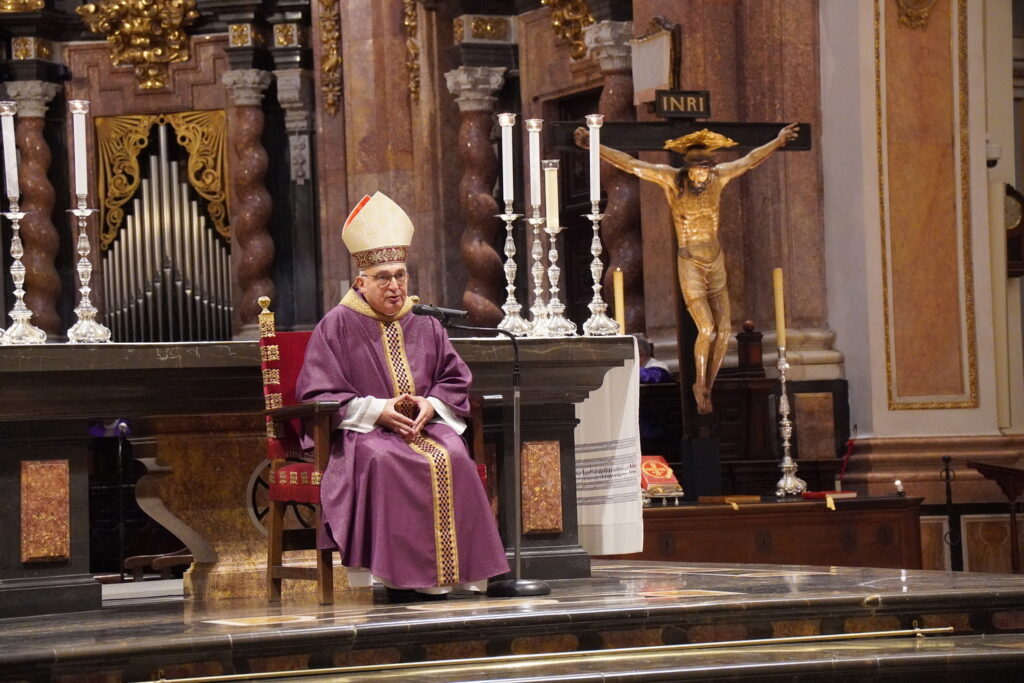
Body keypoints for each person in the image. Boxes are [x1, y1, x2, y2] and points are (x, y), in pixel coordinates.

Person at [296, 191, 509, 602]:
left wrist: (432, 404)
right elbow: (318, 391)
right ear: (361, 281)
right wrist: (379, 410)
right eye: (383, 277)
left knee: (456, 455)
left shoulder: (425, 322)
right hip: (365, 432)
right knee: (386, 459)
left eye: (401, 275)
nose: (395, 286)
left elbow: (453, 377)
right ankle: (398, 577)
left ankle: (462, 575)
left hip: (425, 424)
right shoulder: (336, 325)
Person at [575, 123, 799, 415]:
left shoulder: (718, 180)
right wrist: (593, 146)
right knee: (705, 328)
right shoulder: (671, 180)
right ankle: (698, 385)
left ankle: (709, 384)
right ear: (687, 167)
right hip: (690, 259)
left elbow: (750, 160)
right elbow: (632, 164)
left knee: (725, 330)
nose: (700, 174)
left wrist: (779, 141)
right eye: (696, 168)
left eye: (705, 168)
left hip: (714, 258)